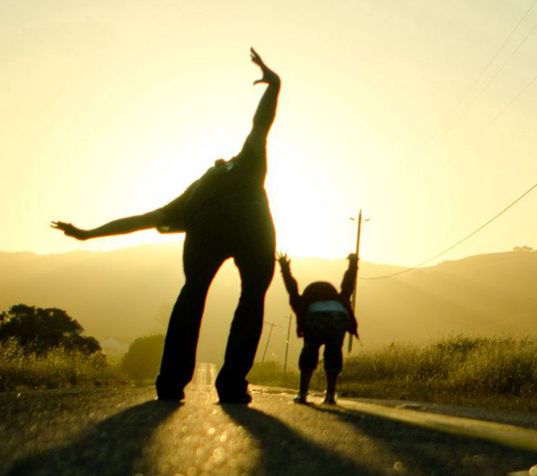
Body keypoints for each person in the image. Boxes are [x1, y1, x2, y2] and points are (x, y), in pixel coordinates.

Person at [51, 47, 281, 404]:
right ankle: (230, 383)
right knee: (250, 299)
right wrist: (274, 84)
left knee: (193, 295)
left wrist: (88, 233)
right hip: (252, 226)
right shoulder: (243, 165)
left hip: (210, 226)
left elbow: (142, 220)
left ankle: (171, 382)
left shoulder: (196, 191)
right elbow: (260, 124)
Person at [277, 252, 358, 405]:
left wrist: (284, 267)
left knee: (310, 351)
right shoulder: (338, 298)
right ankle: (330, 396)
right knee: (333, 352)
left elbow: (291, 288)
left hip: (314, 318)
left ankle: (302, 394)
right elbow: (348, 284)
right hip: (338, 316)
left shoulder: (303, 301)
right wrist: (353, 264)